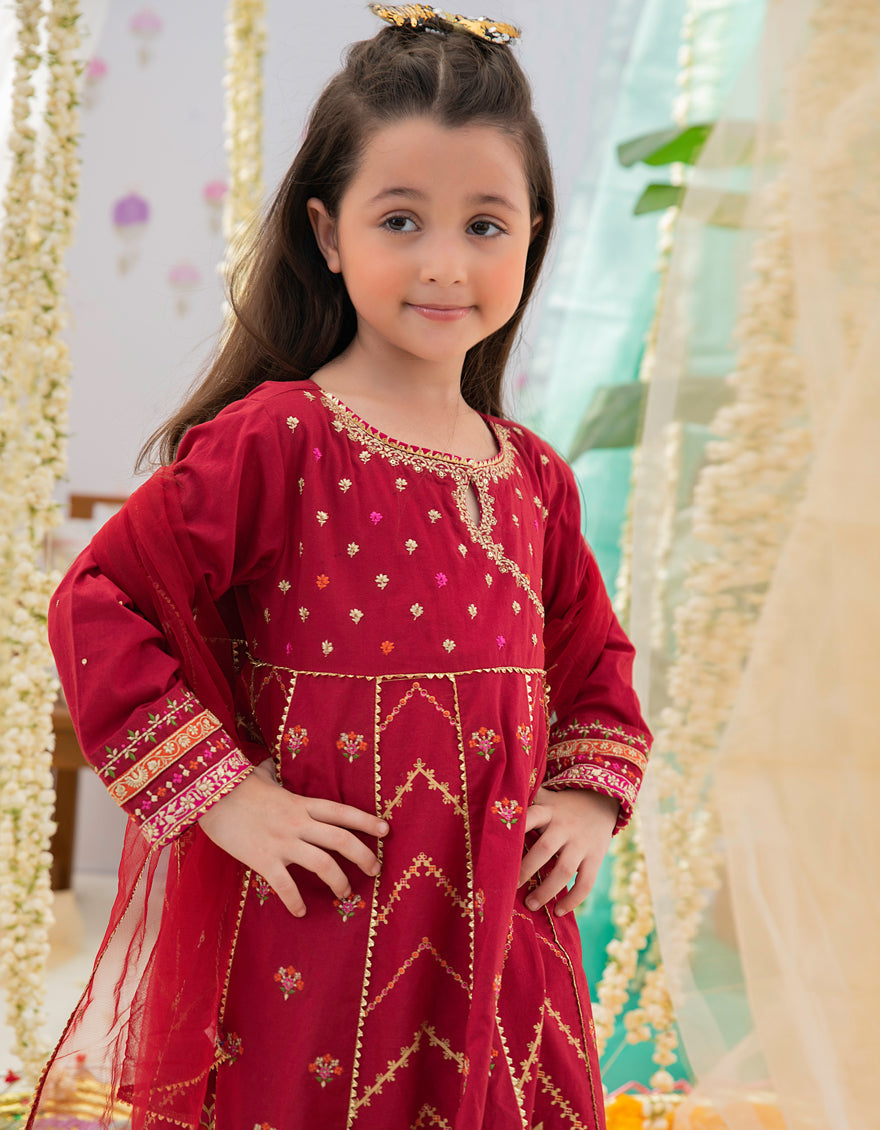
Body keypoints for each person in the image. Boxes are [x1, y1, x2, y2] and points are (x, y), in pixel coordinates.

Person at [31, 8, 651, 1129]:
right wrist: (226, 797)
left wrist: (585, 796)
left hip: (503, 932)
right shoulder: (280, 440)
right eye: (400, 219)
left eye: (486, 224)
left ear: (534, 236)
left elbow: (595, 661)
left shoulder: (535, 478)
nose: (445, 263)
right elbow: (100, 601)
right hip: (319, 934)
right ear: (326, 232)